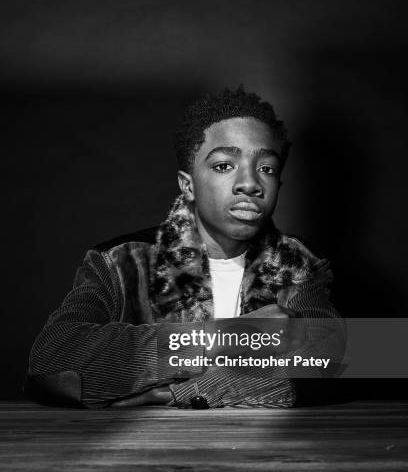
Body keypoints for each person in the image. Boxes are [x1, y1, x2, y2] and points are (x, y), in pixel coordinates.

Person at [25, 86, 344, 409]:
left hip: (264, 454)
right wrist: (225, 338)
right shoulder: (121, 262)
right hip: (145, 455)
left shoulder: (296, 263)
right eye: (224, 165)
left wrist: (182, 393)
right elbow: (52, 358)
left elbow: (344, 358)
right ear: (187, 184)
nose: (250, 183)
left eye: (267, 168)